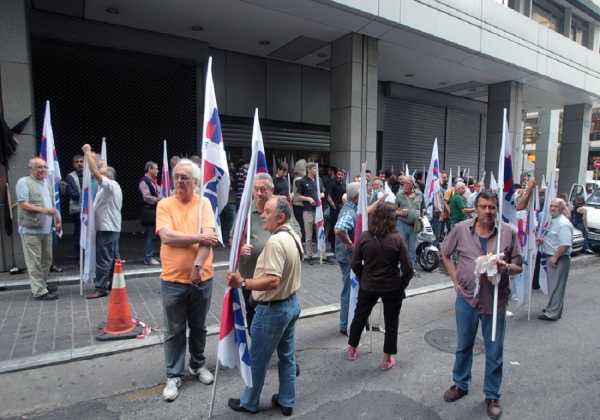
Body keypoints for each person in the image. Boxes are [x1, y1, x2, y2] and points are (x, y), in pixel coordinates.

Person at [441, 190, 522, 420]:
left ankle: (492, 395)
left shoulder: (508, 233)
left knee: (494, 351)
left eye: (492, 207)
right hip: (466, 299)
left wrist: (505, 266)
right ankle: (460, 384)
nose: (488, 211)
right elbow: (445, 254)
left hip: (495, 302)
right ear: (476, 208)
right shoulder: (461, 229)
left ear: (497, 209)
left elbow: (519, 266)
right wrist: (455, 279)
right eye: (484, 206)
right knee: (464, 345)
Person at [227, 196, 303, 416]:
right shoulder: (293, 235)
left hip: (273, 310)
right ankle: (287, 400)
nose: (262, 215)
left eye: (267, 212)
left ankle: (249, 402)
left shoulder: (276, 242)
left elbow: (272, 280)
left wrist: (242, 282)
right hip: (290, 304)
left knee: (258, 360)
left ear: (280, 217)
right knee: (287, 356)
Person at [156, 158, 218, 401]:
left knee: (199, 326)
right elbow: (167, 237)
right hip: (172, 279)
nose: (179, 181)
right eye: (177, 176)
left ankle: (197, 364)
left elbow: (209, 240)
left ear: (195, 181)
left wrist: (196, 267)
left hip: (202, 277)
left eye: (185, 177)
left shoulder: (205, 204)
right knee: (174, 329)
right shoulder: (165, 205)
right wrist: (197, 236)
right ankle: (174, 374)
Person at [346, 203, 414, 369]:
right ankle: (386, 359)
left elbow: (354, 263)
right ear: (392, 219)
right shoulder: (397, 238)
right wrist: (402, 285)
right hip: (392, 286)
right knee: (391, 323)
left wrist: (363, 276)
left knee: (359, 316)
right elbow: (408, 268)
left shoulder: (364, 237)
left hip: (369, 284)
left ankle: (352, 349)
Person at [16, 158, 61, 300]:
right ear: (31, 169)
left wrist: (57, 219)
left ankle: (42, 284)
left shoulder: (45, 183)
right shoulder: (23, 182)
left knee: (46, 260)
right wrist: (44, 211)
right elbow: (23, 204)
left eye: (44, 167)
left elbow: (52, 205)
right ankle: (39, 291)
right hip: (31, 230)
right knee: (34, 262)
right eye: (39, 167)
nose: (43, 170)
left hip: (46, 229)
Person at [82, 144, 123, 299]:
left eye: (103, 174)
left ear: (108, 177)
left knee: (104, 258)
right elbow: (99, 169)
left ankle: (101, 287)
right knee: (113, 257)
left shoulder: (110, 185)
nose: (99, 175)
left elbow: (96, 172)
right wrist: (93, 158)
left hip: (108, 228)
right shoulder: (109, 188)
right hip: (109, 227)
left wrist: (87, 153)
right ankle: (114, 282)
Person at [538, 198, 574, 321]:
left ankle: (552, 313)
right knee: (553, 286)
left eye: (556, 206)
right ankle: (552, 308)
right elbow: (553, 238)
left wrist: (555, 257)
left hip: (559, 259)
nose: (552, 208)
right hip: (552, 257)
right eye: (551, 206)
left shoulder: (563, 223)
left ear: (562, 208)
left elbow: (565, 244)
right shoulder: (554, 220)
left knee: (557, 287)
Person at [334, 182, 359, 335]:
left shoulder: (352, 208)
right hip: (347, 256)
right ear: (356, 196)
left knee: (351, 288)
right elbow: (339, 229)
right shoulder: (349, 212)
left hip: (346, 255)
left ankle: (351, 320)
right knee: (349, 290)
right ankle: (345, 325)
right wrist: (350, 244)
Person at [295, 162, 322, 263]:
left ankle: (321, 254)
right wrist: (308, 198)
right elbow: (298, 196)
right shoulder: (302, 181)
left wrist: (321, 195)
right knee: (309, 234)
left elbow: (323, 192)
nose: (316, 171)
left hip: (318, 210)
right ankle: (309, 255)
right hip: (308, 210)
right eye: (314, 169)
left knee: (319, 232)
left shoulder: (319, 180)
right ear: (309, 169)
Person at [395, 176, 423, 264]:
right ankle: (401, 264)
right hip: (402, 223)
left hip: (415, 224)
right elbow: (394, 210)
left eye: (407, 184)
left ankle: (411, 266)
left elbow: (423, 208)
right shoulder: (399, 194)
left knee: (412, 247)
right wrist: (400, 213)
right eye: (403, 184)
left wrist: (422, 214)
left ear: (412, 185)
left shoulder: (419, 194)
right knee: (402, 245)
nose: (404, 186)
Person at [139, 161, 161, 265]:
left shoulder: (154, 181)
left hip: (155, 211)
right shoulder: (144, 181)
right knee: (150, 235)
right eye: (156, 168)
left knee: (154, 235)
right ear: (150, 169)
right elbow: (146, 197)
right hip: (149, 212)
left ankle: (152, 256)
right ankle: (148, 258)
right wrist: (158, 199)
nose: (157, 171)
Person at [64, 154, 84, 257]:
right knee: (79, 232)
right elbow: (74, 195)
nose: (79, 164)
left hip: (90, 209)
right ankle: (79, 255)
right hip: (77, 210)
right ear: (73, 164)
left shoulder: (90, 174)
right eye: (77, 162)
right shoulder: (70, 177)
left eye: (81, 161)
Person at [291, 159, 307, 242]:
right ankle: (301, 238)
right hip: (299, 204)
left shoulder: (296, 179)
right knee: (300, 222)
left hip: (299, 204)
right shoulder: (298, 180)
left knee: (301, 222)